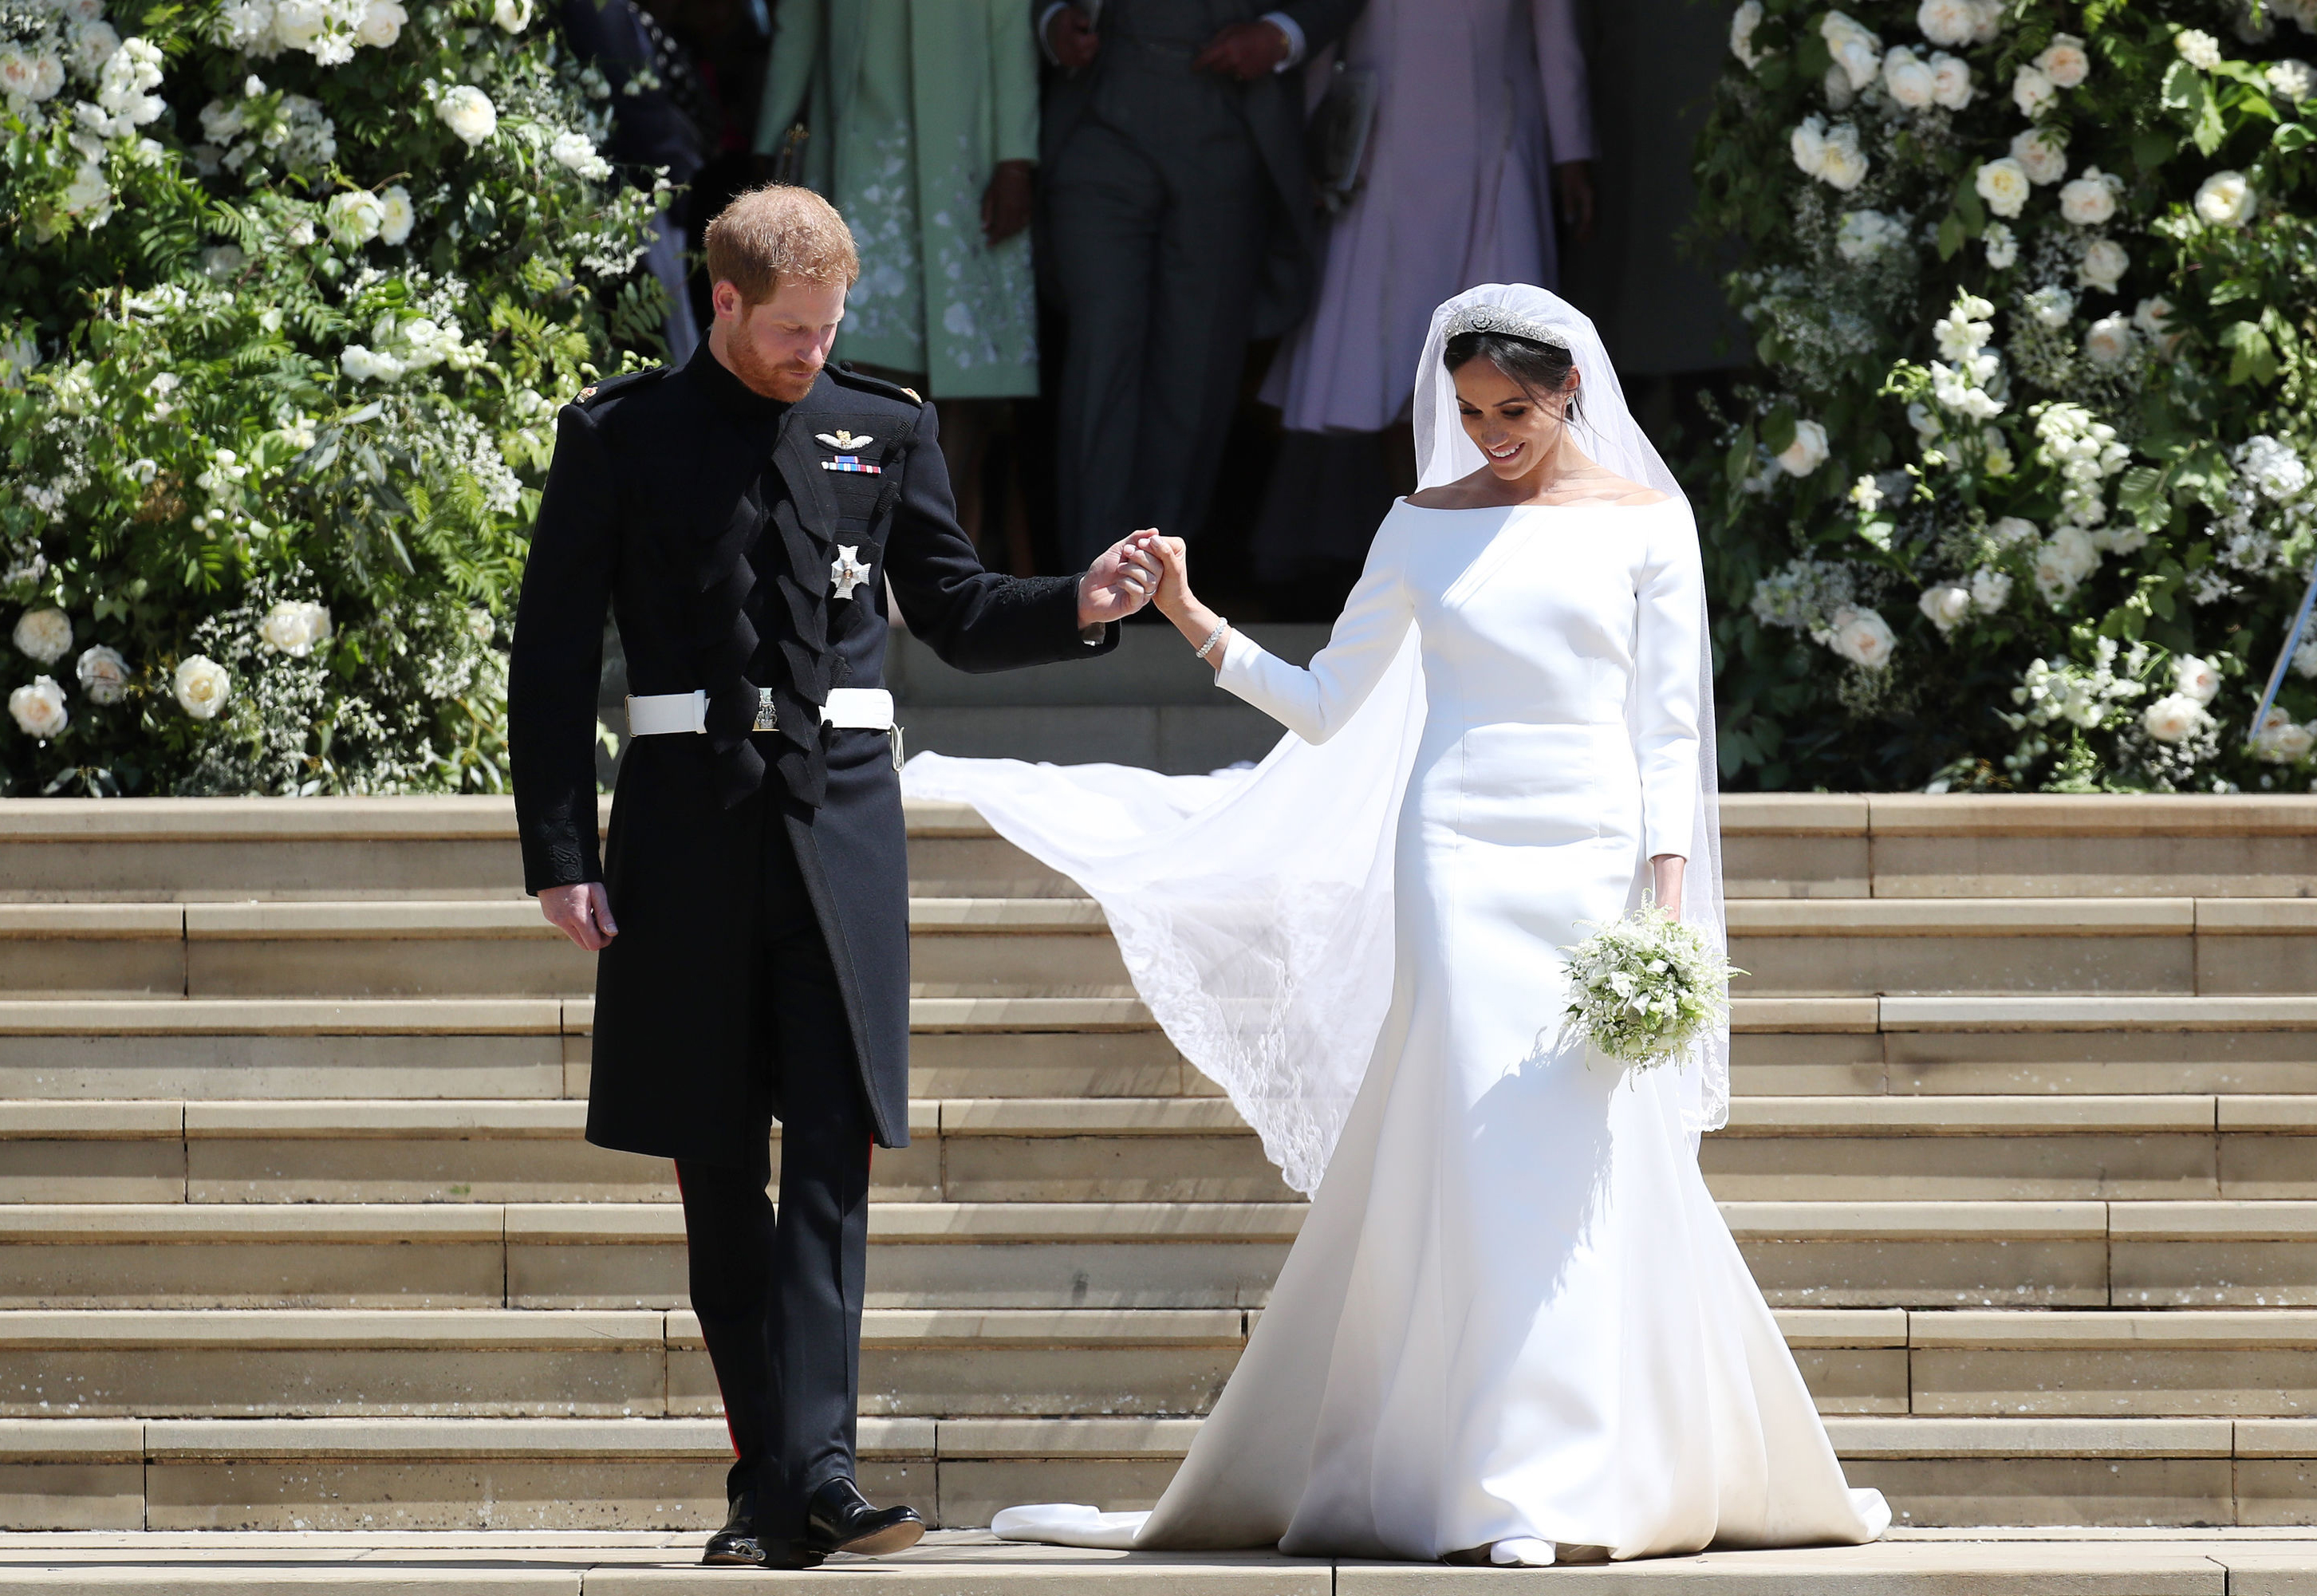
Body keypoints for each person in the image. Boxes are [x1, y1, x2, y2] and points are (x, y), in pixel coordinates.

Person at [904, 285, 1890, 1564]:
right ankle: (1503, 1489)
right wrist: (1194, 617)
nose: (1490, 433)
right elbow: (1324, 703)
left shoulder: (1648, 523)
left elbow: (1664, 727)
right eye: (1471, 410)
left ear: (1570, 394)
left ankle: (1593, 1466)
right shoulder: (1419, 526)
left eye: (1516, 411)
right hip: (1455, 856)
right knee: (1478, 1151)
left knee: (1589, 1149)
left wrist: (1661, 911)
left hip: (1592, 861)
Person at [507, 183, 1159, 1570]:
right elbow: (553, 660)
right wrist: (561, 854)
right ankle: (769, 1480)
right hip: (683, 830)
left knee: (833, 1161)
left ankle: (824, 1473)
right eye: (791, 330)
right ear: (725, 304)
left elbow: (960, 611)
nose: (813, 352)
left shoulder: (887, 424)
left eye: (830, 328)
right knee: (715, 1162)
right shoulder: (618, 436)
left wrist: (1082, 604)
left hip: (844, 826)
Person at [1251, 0, 1597, 601]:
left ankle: (1481, 562)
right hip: (1380, 139)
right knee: (1381, 366)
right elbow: (1324, 20)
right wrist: (1305, 141)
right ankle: (1410, 557)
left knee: (1497, 363)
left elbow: (1553, 32)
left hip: (1495, 137)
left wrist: (1571, 153)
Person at [1036, 0, 1365, 569]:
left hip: (1229, 122)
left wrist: (1282, 34)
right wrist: (1050, 20)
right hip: (1099, 118)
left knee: (1195, 363)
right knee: (1100, 350)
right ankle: (1089, 577)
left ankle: (1160, 578)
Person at [756, 0, 1042, 563]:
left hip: (968, 156)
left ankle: (944, 564)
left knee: (966, 368)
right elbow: (800, 21)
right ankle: (852, 556)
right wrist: (769, 147)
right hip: (856, 152)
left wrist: (1016, 158)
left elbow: (1012, 31)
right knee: (848, 351)